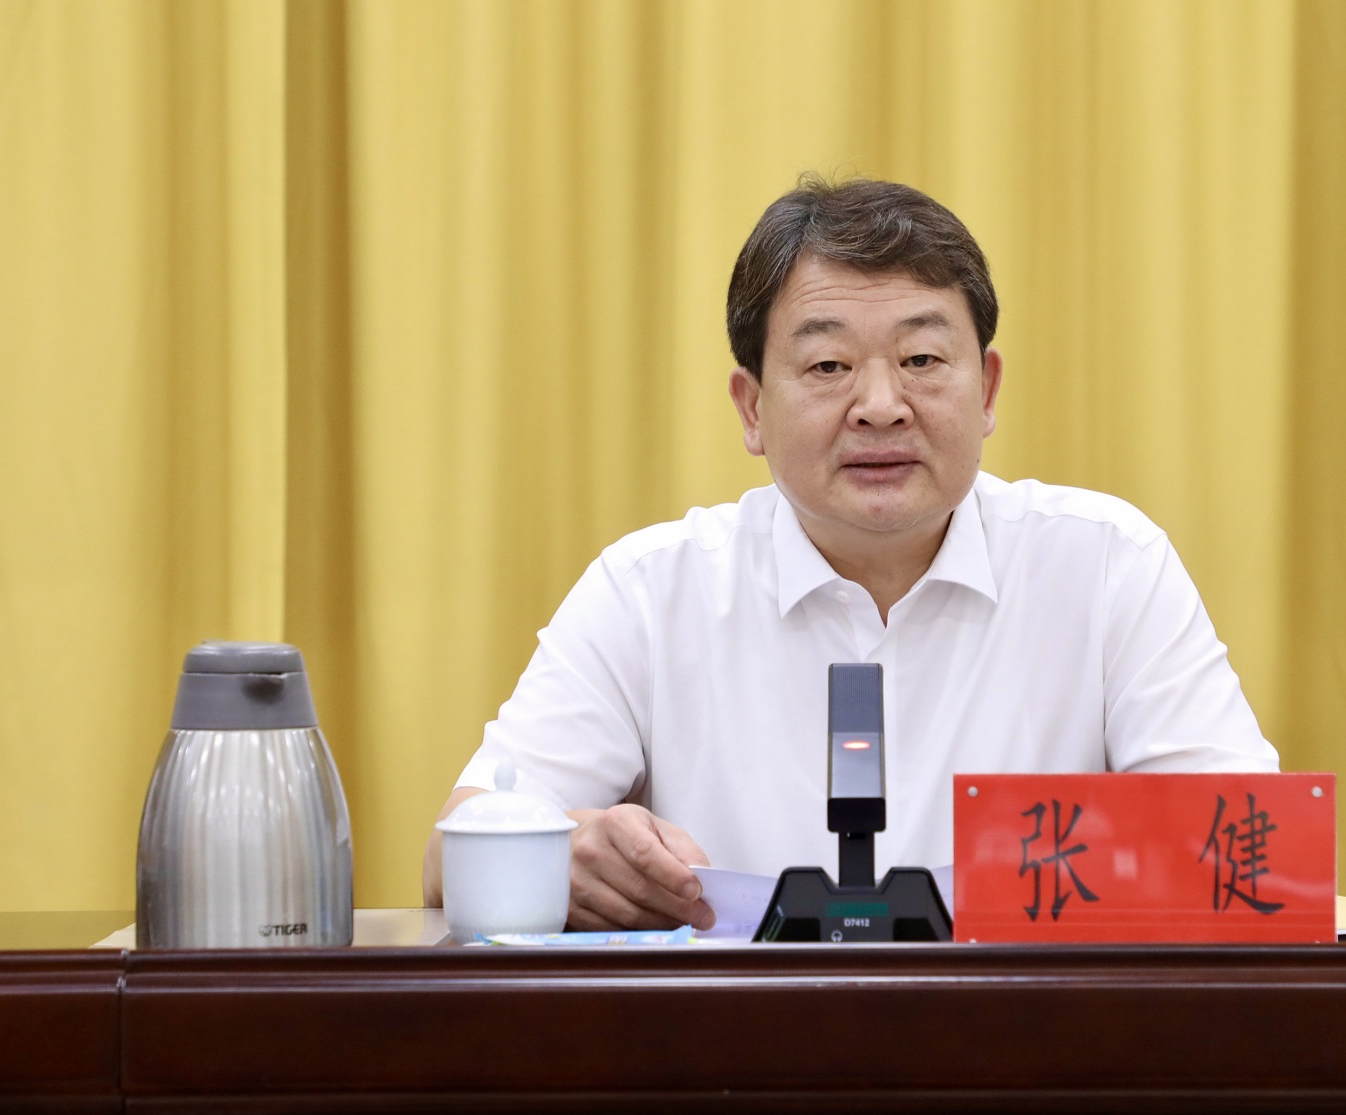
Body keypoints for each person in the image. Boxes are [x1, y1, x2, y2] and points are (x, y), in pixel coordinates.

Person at [421, 176, 1278, 929]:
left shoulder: (1108, 567)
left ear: (987, 389)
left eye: (921, 358)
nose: (879, 405)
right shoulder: (650, 590)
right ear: (752, 407)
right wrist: (563, 851)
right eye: (828, 365)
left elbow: (1254, 859)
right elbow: (446, 860)